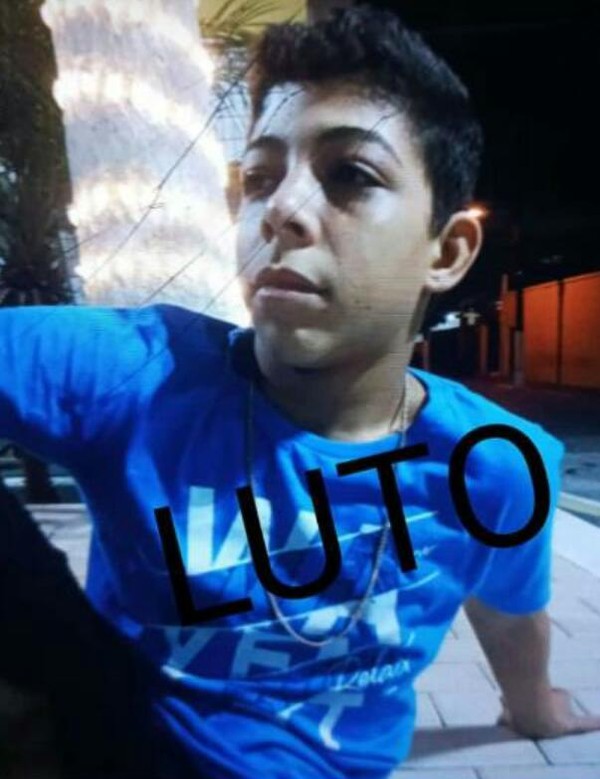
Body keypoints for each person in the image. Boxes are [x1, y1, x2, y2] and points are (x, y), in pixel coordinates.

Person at [1, 7, 599, 779]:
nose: (280, 210)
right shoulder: (138, 373)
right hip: (119, 738)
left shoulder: (494, 461)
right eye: (259, 178)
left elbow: (507, 607)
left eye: (351, 174)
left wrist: (535, 706)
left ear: (447, 250)